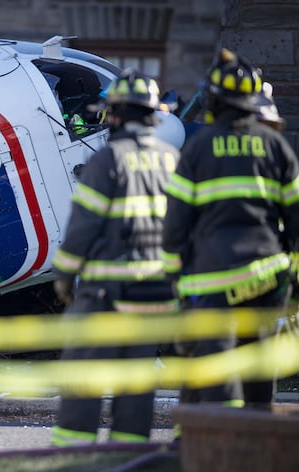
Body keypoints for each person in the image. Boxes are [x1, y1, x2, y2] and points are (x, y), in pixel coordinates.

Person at [50, 69, 180, 447]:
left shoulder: (108, 159)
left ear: (115, 114)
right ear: (154, 115)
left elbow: (83, 226)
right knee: (136, 376)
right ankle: (128, 449)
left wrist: (65, 273)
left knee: (83, 370)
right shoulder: (173, 160)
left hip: (107, 289)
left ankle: (73, 449)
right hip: (156, 290)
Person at [162, 48, 299, 408]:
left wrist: (175, 274)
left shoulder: (197, 149)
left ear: (214, 99)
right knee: (258, 364)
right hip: (267, 276)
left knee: (217, 366)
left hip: (213, 278)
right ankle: (255, 437)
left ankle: (223, 445)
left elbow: (176, 223)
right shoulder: (276, 147)